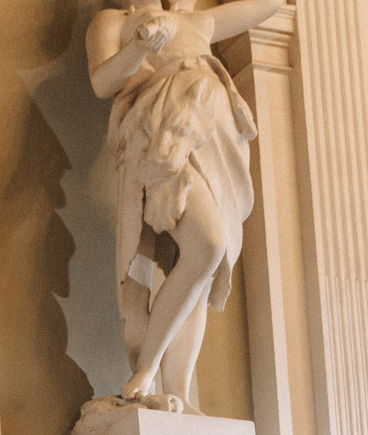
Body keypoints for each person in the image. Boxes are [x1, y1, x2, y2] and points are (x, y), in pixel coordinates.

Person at [86, 0, 284, 410]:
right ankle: (144, 371)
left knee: (198, 265)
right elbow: (103, 82)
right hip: (160, 139)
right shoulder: (113, 22)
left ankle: (175, 389)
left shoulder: (200, 21)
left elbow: (268, 4)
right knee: (207, 247)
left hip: (213, 139)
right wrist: (140, 47)